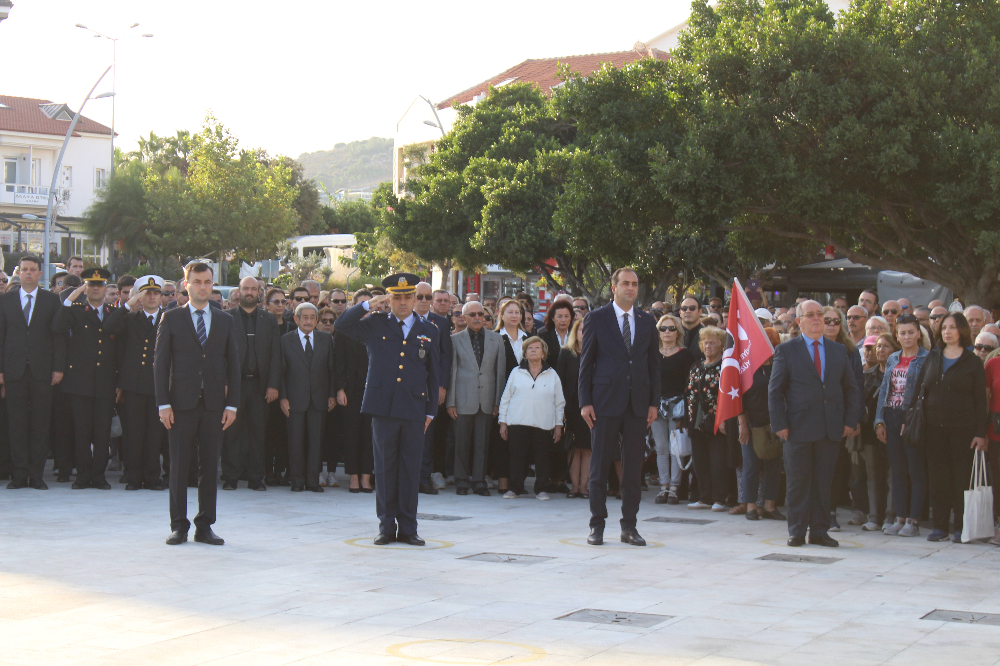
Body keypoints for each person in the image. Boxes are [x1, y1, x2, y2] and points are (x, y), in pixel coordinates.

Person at [334, 273, 439, 546]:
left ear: (415, 299)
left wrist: (430, 411)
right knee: (384, 468)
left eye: (408, 297)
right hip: (383, 406)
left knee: (410, 469)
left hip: (414, 407)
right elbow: (342, 325)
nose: (403, 302)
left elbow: (433, 374)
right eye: (397, 297)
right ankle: (386, 526)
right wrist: (368, 304)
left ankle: (408, 527)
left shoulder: (429, 330)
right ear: (389, 299)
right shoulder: (375, 324)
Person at [156, 262, 241, 546]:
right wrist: (162, 403)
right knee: (179, 466)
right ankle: (178, 525)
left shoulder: (226, 320)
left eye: (207, 282)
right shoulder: (172, 318)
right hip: (180, 403)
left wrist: (232, 405)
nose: (203, 286)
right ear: (186, 284)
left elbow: (234, 366)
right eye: (197, 281)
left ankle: (205, 525)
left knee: (209, 466)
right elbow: (160, 364)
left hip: (215, 404)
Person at [768, 300, 860, 548]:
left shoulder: (838, 350)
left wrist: (851, 421)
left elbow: (851, 389)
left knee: (823, 482)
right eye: (811, 315)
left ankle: (819, 531)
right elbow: (775, 391)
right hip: (797, 427)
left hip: (830, 427)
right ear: (799, 321)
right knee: (798, 482)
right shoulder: (787, 351)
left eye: (821, 314)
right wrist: (779, 424)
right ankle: (797, 530)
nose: (818, 319)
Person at [579, 267, 660, 546]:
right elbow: (586, 363)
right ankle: (596, 526)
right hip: (603, 402)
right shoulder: (596, 318)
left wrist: (653, 403)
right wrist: (585, 402)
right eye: (625, 283)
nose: (630, 288)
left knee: (632, 468)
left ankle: (629, 526)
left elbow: (653, 366)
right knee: (599, 467)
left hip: (637, 404)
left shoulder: (647, 321)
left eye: (635, 284)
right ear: (613, 288)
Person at [55, 268, 127, 490]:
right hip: (80, 382)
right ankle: (83, 476)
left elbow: (121, 350)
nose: (95, 289)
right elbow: (57, 327)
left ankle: (99, 475)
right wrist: (71, 298)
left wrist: (119, 382)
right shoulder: (76, 310)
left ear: (106, 289)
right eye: (91, 285)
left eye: (100, 285)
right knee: (82, 432)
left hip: (105, 381)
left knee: (102, 432)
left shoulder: (112, 312)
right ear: (85, 288)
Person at [0, 255, 67, 490]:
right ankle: (19, 475)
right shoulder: (5, 300)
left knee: (40, 424)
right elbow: (1, 336)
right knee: (16, 424)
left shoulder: (51, 300)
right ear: (18, 273)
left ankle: (36, 476)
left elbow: (58, 336)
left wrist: (58, 367)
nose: (28, 273)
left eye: (33, 270)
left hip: (43, 370)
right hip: (14, 370)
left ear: (40, 274)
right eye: (24, 270)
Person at [923, 312, 988, 542]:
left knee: (960, 478)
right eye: (944, 328)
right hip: (934, 428)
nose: (947, 331)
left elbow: (981, 400)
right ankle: (940, 526)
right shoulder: (933, 357)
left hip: (964, 429)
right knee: (938, 478)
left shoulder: (972, 361)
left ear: (962, 330)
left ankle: (960, 525)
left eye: (952, 327)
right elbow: (923, 391)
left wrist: (981, 432)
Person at [221, 276, 281, 491]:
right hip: (234, 386)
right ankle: (230, 477)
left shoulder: (269, 320)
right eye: (245, 288)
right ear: (238, 292)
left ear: (259, 293)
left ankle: (257, 478)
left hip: (260, 386)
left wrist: (273, 385)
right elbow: (221, 355)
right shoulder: (226, 318)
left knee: (258, 433)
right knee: (231, 433)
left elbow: (275, 355)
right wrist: (226, 382)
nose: (249, 292)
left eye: (253, 289)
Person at [873, 314, 930, 537]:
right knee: (897, 470)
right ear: (897, 335)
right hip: (891, 415)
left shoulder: (927, 359)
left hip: (913, 419)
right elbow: (884, 392)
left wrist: (909, 420)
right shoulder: (893, 358)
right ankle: (899, 517)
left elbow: (924, 395)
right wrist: (879, 420)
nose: (906, 336)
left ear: (918, 334)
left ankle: (913, 521)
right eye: (902, 333)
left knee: (915, 469)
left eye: (910, 332)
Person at [448, 300, 505, 496]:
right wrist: (451, 402)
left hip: (487, 399)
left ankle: (479, 481)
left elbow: (500, 373)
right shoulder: (455, 340)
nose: (477, 318)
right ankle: (462, 480)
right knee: (461, 443)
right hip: (463, 398)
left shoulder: (496, 339)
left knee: (482, 444)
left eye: (481, 314)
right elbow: (452, 372)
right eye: (472, 315)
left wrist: (498, 402)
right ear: (463, 318)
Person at [116, 275, 168, 490]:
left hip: (158, 384)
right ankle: (134, 476)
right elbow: (111, 327)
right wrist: (129, 304)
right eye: (148, 293)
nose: (152, 297)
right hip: (134, 384)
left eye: (156, 293)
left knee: (155, 435)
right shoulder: (130, 318)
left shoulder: (169, 318)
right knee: (133, 434)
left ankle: (153, 477)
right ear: (141, 297)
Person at [278, 302, 336, 492]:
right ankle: (297, 481)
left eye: (313, 317)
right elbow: (281, 371)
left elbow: (331, 370)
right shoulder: (286, 340)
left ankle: (312, 481)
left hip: (319, 399)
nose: (309, 321)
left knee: (316, 442)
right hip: (294, 399)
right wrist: (283, 397)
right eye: (305, 317)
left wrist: (331, 395)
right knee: (295, 442)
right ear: (296, 319)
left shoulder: (326, 339)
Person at [499, 337, 565, 500]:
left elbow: (559, 402)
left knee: (542, 457)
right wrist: (503, 422)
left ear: (543, 353)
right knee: (517, 457)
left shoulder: (552, 374)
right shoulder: (515, 372)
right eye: (530, 348)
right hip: (517, 422)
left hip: (543, 424)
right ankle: (515, 488)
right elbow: (505, 398)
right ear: (525, 353)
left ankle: (541, 489)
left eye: (537, 347)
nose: (533, 350)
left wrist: (558, 425)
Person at [738, 327, 786, 521]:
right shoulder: (747, 366)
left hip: (775, 422)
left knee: (774, 464)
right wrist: (742, 422)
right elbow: (738, 396)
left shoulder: (779, 365)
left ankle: (769, 505)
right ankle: (751, 506)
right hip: (751, 423)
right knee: (751, 465)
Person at [651, 314, 696, 505]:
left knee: (675, 449)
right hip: (655, 406)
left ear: (678, 331)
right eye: (663, 328)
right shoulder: (651, 354)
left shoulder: (686, 355)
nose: (667, 332)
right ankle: (664, 487)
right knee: (661, 448)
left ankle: (675, 489)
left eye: (671, 328)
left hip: (678, 406)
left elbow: (690, 383)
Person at [683, 327, 728, 511]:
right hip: (695, 423)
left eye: (712, 342)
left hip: (717, 424)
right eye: (706, 342)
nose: (708, 346)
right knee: (699, 462)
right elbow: (687, 394)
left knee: (718, 462)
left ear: (721, 345)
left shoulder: (725, 367)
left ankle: (719, 498)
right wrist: (688, 421)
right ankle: (704, 497)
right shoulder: (696, 366)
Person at [334, 289, 374, 493]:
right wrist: (339, 388)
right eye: (362, 305)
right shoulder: (344, 330)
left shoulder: (378, 327)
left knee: (369, 434)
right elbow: (338, 361)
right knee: (351, 434)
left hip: (374, 390)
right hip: (350, 390)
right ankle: (353, 477)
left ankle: (366, 476)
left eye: (370, 304)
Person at [858, 333, 899, 531]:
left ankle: (891, 516)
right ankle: (874, 516)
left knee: (893, 475)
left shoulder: (899, 372)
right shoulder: (867, 374)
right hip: (869, 432)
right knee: (873, 475)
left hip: (894, 430)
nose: (881, 350)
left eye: (886, 346)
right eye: (879, 346)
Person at [416, 283, 453, 496]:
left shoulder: (440, 322)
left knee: (427, 435)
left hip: (430, 387)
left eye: (427, 297)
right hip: (406, 386)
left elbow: (445, 356)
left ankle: (423, 478)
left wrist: (442, 386)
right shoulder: (403, 320)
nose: (423, 300)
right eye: (419, 296)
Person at [493, 299, 529, 494]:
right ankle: (503, 481)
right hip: (501, 395)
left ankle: (519, 481)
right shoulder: (494, 337)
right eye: (510, 312)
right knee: (502, 439)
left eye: (518, 312)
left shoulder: (529, 338)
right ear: (502, 315)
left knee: (521, 440)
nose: (514, 315)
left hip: (525, 398)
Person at [556, 318, 591, 499]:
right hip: (570, 408)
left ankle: (584, 487)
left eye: (587, 330)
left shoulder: (599, 353)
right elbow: (560, 382)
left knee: (587, 449)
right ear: (575, 332)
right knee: (573, 448)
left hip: (592, 408)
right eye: (580, 330)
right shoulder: (566, 353)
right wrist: (561, 408)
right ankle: (574, 487)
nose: (583, 334)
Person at [538, 300, 574, 368]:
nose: (563, 320)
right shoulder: (543, 336)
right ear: (552, 318)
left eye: (566, 316)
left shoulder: (576, 336)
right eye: (559, 316)